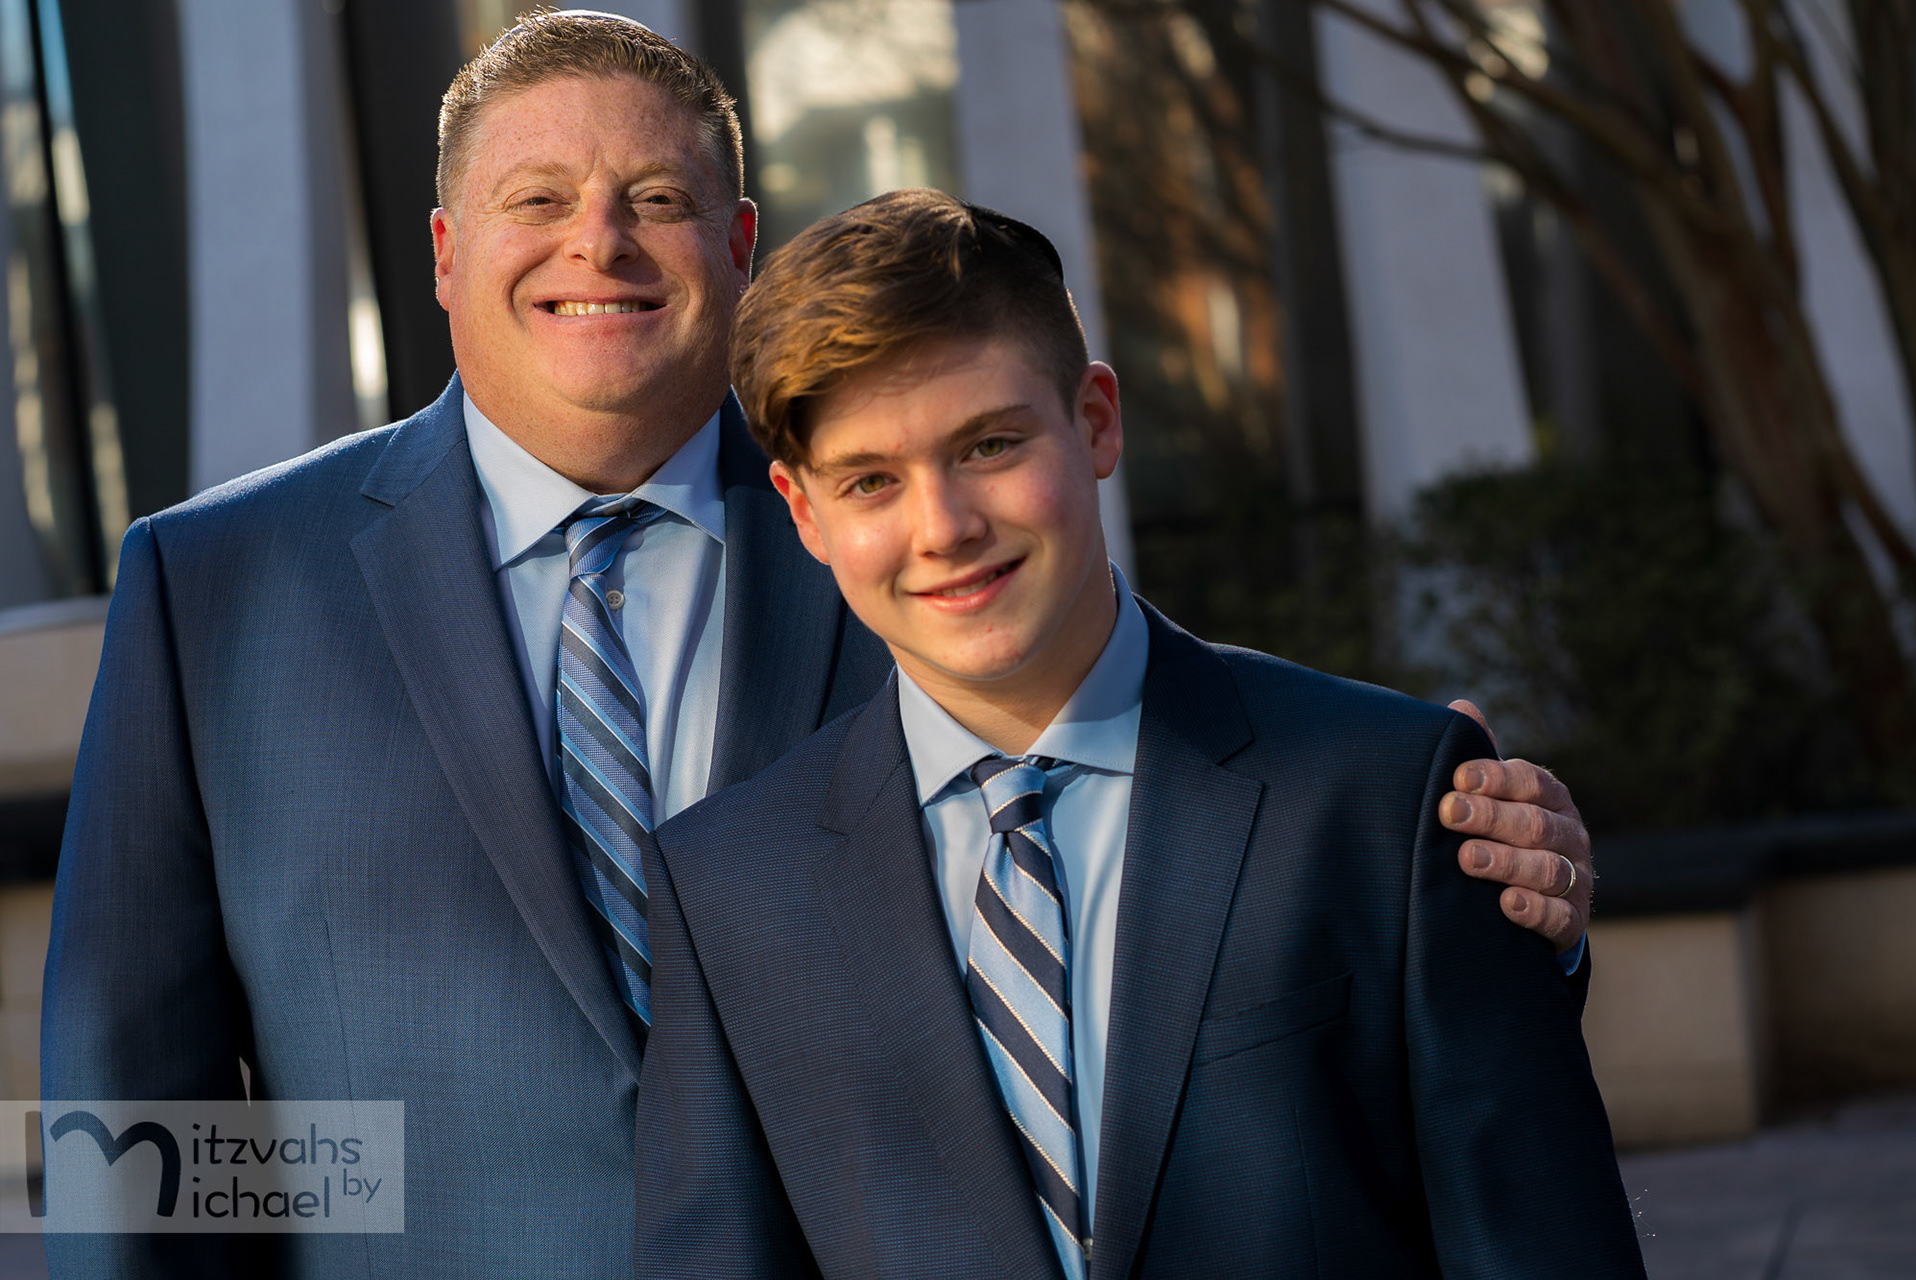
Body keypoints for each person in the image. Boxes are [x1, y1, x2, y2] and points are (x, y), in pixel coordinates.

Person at [42, 12, 1593, 1278]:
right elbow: (136, 1098)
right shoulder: (218, 586)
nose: (601, 243)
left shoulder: (886, 530)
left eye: (656, 200)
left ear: (738, 242)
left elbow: (1200, 857)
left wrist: (1482, 894)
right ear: (447, 250)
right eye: (539, 199)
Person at [634, 189, 1643, 1278]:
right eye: (872, 481)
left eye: (989, 445)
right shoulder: (729, 888)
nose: (944, 527)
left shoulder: (1384, 797)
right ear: (805, 511)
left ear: (1097, 421)